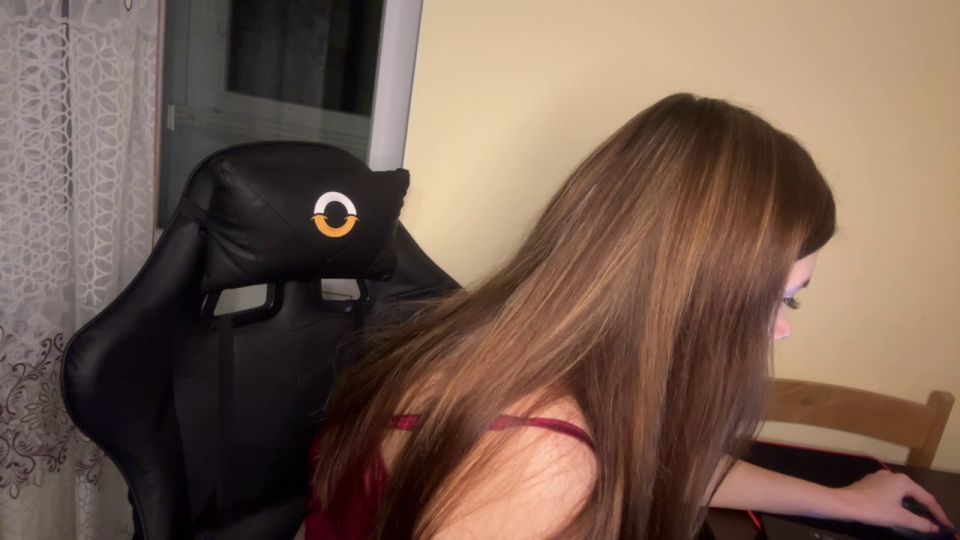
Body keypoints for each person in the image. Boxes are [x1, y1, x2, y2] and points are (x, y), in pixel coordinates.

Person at [299, 94, 953, 539]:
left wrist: (840, 502)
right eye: (775, 300)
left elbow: (663, 464)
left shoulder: (528, 347)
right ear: (684, 289)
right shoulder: (539, 450)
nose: (781, 328)